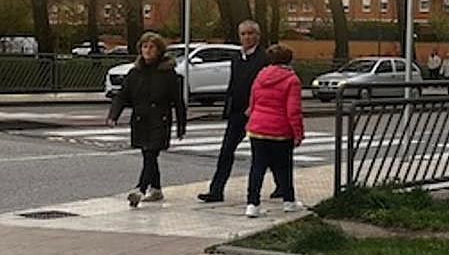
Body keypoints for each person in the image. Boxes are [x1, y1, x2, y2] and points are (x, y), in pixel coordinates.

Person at [106, 31, 186, 207]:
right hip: (141, 120)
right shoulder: (135, 73)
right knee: (148, 155)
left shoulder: (168, 74)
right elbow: (122, 95)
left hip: (160, 119)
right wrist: (113, 115)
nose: (147, 50)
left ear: (159, 50)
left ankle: (140, 189)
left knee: (151, 153)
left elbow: (178, 101)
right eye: (144, 46)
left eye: (152, 47)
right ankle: (156, 188)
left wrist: (181, 126)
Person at [198, 20, 269, 203]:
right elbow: (233, 84)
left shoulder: (264, 59)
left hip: (257, 113)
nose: (247, 37)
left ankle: (281, 187)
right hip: (237, 113)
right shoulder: (236, 58)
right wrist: (228, 108)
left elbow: (265, 87)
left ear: (257, 36)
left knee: (263, 153)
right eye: (243, 34)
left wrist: (255, 106)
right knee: (226, 151)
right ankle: (216, 190)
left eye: (250, 33)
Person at [244, 44, 305, 217]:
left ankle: (252, 204)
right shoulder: (292, 80)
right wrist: (298, 133)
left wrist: (251, 116)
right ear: (289, 60)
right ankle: (289, 201)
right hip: (280, 130)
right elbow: (293, 110)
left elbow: (253, 99)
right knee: (284, 167)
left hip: (257, 127)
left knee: (257, 166)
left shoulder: (261, 75)